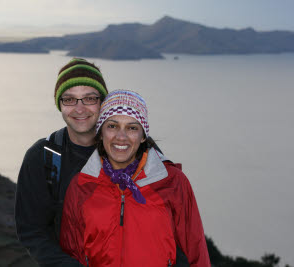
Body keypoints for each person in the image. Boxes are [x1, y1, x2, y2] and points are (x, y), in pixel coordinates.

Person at [60, 90, 211, 267]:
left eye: (132, 128)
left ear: (143, 136)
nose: (121, 137)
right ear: (101, 133)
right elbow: (71, 255)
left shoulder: (173, 182)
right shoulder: (81, 186)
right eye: (112, 126)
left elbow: (197, 252)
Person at [15, 58, 108, 266]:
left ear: (102, 101)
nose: (80, 108)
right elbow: (32, 231)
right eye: (69, 99)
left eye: (89, 98)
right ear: (60, 104)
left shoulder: (130, 150)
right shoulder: (42, 156)